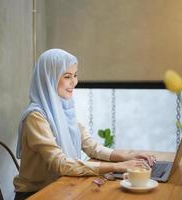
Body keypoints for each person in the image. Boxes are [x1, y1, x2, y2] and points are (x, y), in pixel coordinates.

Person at [13, 49, 156, 200]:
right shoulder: (35, 117)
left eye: (75, 75)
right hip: (36, 194)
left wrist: (128, 156)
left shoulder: (63, 110)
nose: (74, 82)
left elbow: (92, 147)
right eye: (67, 76)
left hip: (60, 188)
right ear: (49, 78)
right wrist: (118, 167)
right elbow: (60, 163)